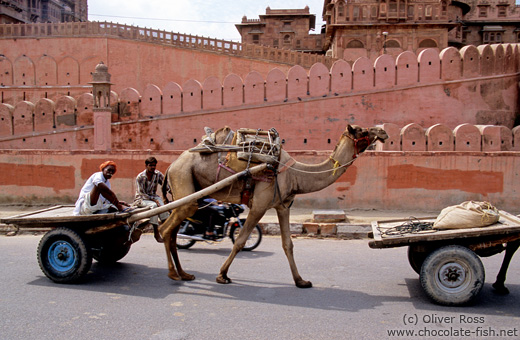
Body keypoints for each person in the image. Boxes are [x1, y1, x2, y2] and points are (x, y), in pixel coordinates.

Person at [134, 157, 168, 243]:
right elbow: (141, 193)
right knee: (154, 206)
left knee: (163, 208)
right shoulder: (140, 177)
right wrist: (153, 200)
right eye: (150, 165)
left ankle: (166, 230)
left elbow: (165, 185)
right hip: (142, 199)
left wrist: (173, 192)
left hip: (154, 197)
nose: (153, 167)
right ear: (146, 166)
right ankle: (156, 233)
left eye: (154, 165)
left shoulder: (158, 174)